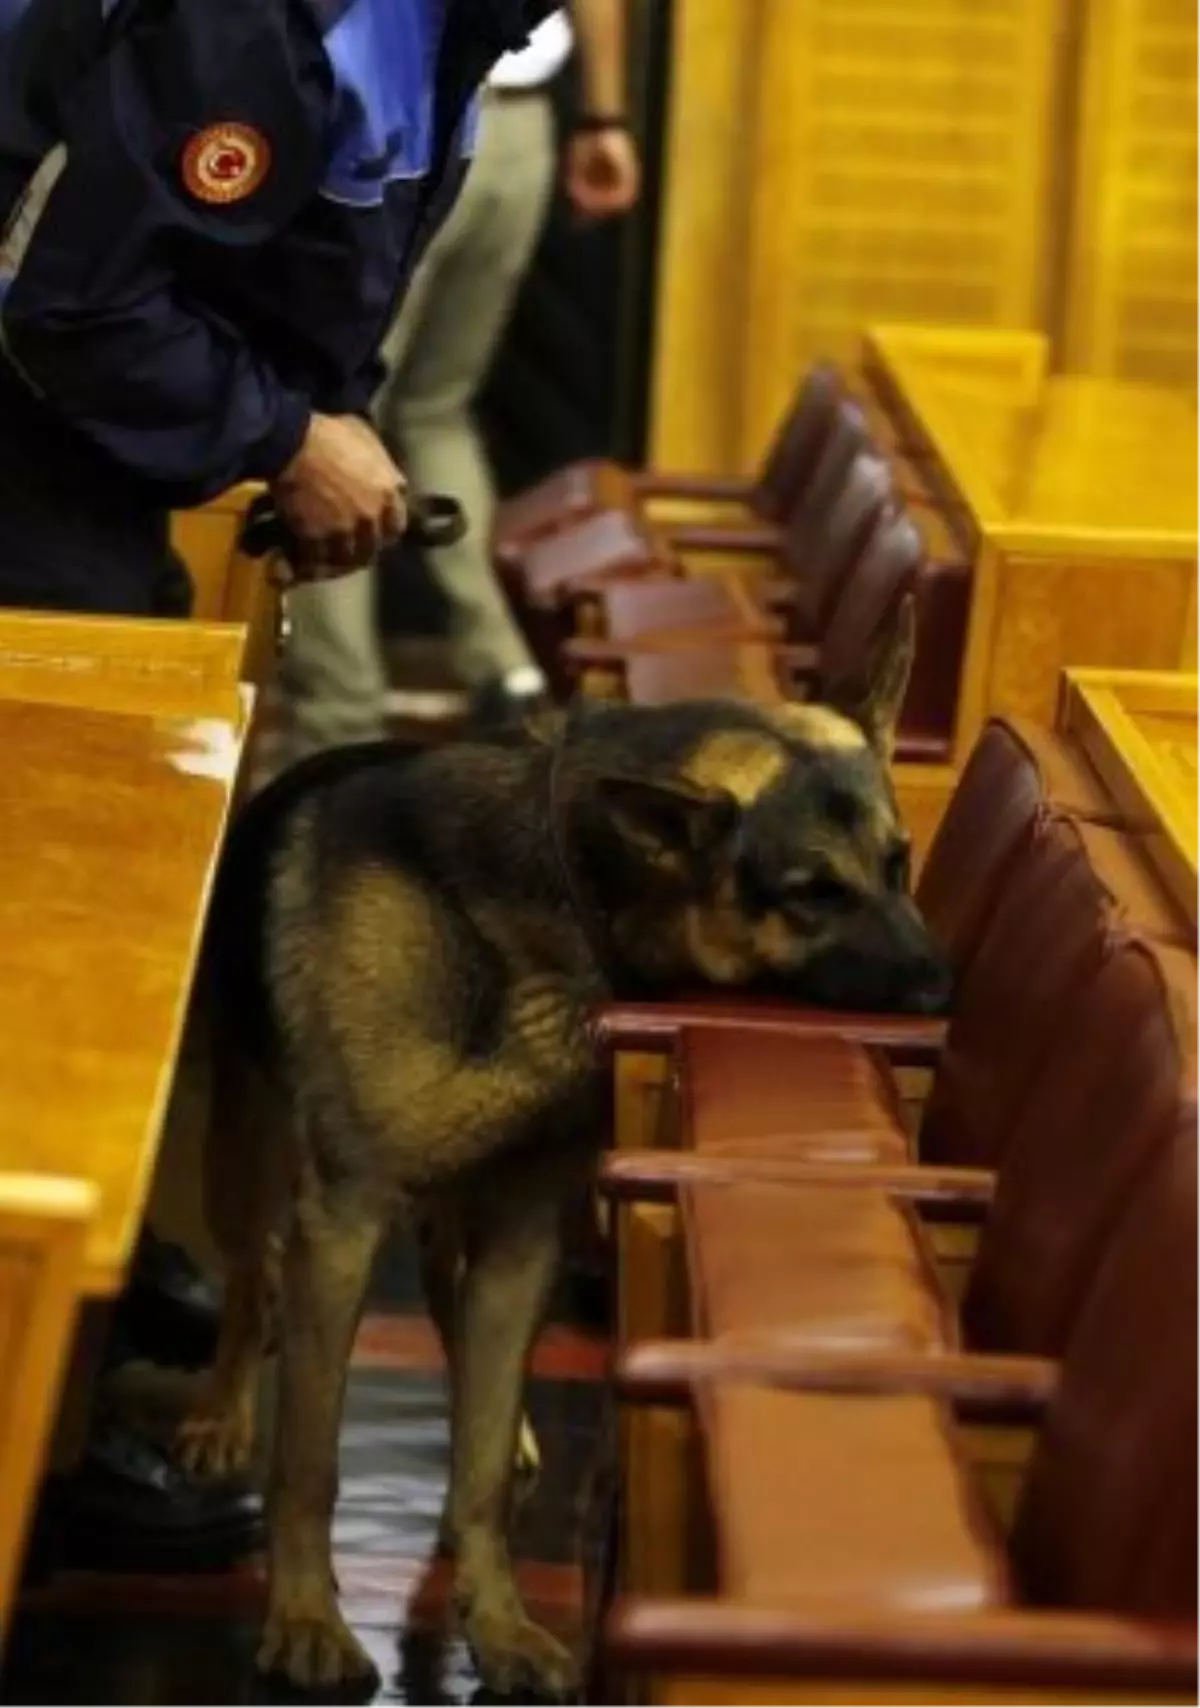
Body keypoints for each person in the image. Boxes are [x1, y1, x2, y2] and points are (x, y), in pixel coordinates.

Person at [0, 0, 556, 1570]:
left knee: (108, 919)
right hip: (27, 463)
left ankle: (72, 1304)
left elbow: (306, 268)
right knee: (43, 947)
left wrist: (318, 426)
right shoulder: (262, 15)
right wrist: (282, 434)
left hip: (81, 478)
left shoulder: (450, 27)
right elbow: (62, 300)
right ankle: (31, 1403)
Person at [280, 0, 640, 755]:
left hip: (390, 117)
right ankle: (502, 666)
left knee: (333, 415)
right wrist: (603, 118)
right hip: (519, 125)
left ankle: (337, 723)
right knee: (437, 411)